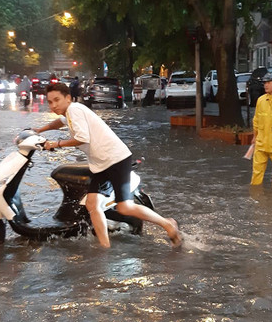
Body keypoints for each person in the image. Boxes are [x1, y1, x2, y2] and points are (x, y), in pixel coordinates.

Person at [34, 82, 182, 248]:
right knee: (92, 204)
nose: (53, 105)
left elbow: (83, 138)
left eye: (57, 100)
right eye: (50, 102)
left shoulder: (74, 110)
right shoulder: (70, 112)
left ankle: (167, 224)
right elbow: (60, 122)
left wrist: (56, 144)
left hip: (116, 159)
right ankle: (105, 247)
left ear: (68, 98)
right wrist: (39, 130)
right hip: (102, 164)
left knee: (125, 207)